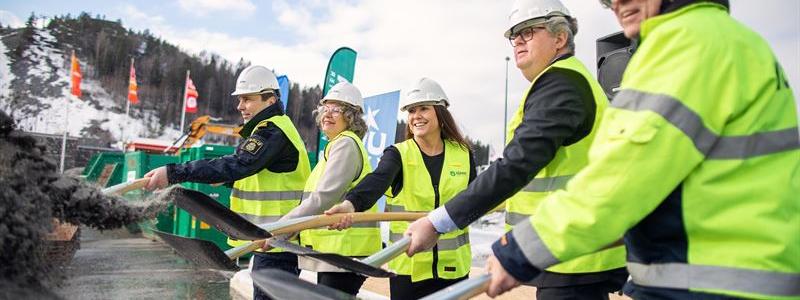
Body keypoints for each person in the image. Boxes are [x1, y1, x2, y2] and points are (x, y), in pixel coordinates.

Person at [479, 0, 800, 298]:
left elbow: (621, 176)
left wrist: (519, 250)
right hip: (746, 273)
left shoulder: (685, 45)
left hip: (708, 281)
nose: (617, 3)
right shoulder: (739, 41)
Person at [403, 0, 629, 299]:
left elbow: (517, 163)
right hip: (569, 250)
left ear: (560, 38)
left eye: (528, 32)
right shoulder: (563, 81)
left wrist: (437, 222)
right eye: (514, 35)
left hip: (573, 255)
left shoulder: (561, 84)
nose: (518, 41)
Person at [144, 65, 311, 300]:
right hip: (270, 238)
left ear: (270, 100)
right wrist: (225, 180)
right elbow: (257, 175)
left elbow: (238, 164)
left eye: (247, 99)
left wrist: (174, 173)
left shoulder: (273, 131)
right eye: (239, 99)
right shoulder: (270, 129)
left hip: (277, 240)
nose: (240, 106)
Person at [326, 78, 478, 300]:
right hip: (409, 271)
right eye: (411, 111)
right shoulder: (398, 154)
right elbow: (377, 180)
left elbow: (476, 197)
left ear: (440, 112)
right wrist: (350, 204)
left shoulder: (463, 154)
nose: (416, 116)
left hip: (454, 270)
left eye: (423, 108)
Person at [264, 81, 381, 296]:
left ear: (351, 117)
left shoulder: (346, 144)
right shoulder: (337, 144)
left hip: (345, 251)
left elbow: (323, 198)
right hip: (336, 250)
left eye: (337, 110)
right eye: (325, 108)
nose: (328, 114)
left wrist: (281, 229)